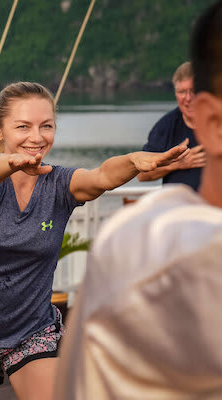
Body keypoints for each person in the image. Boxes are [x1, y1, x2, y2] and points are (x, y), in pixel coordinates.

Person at [0, 82, 189, 400]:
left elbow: (100, 177)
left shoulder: (59, 183)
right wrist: (11, 163)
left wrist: (133, 162)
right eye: (23, 126)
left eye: (47, 126)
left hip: (32, 330)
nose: (37, 137)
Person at [54, 2, 222, 398]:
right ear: (211, 122)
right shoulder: (153, 264)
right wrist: (176, 162)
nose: (183, 100)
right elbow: (143, 169)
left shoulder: (130, 248)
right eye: (180, 93)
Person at [138, 61, 206, 190]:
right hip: (178, 207)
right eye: (182, 92)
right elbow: (142, 175)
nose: (188, 98)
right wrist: (177, 164)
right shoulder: (165, 126)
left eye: (193, 91)